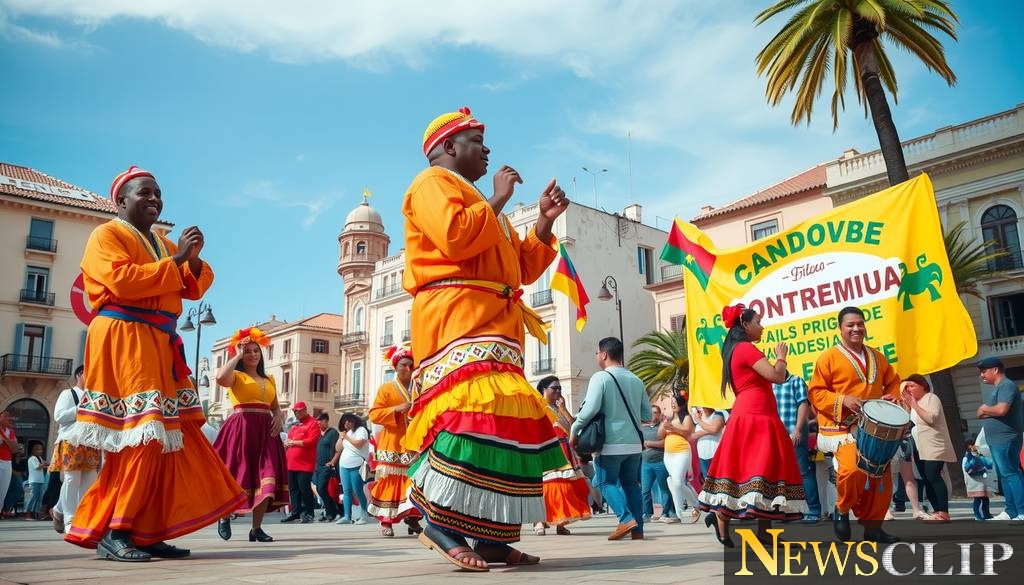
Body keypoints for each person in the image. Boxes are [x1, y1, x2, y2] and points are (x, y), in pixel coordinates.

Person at [402, 106, 568, 571]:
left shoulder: (481, 204)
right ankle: (439, 523)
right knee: (471, 418)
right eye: (476, 141)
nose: (487, 149)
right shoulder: (431, 183)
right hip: (456, 316)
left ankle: (493, 536)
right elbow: (456, 237)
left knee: (508, 424)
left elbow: (522, 268)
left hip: (496, 323)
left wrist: (543, 222)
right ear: (448, 147)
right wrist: (497, 197)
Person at [62, 166, 244, 561]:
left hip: (160, 341)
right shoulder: (106, 235)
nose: (154, 199)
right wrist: (179, 257)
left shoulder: (160, 242)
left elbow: (193, 287)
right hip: (126, 335)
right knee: (142, 435)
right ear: (121, 201)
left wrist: (192, 258)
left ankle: (146, 528)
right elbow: (123, 281)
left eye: (158, 193)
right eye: (144, 192)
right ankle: (116, 529)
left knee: (171, 437)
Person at [698, 304, 806, 548]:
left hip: (758, 414)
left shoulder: (736, 349)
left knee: (761, 471)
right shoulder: (745, 348)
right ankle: (722, 516)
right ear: (745, 325)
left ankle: (763, 531)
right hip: (754, 416)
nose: (762, 327)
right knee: (753, 469)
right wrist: (781, 357)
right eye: (758, 322)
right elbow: (777, 376)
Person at [808, 306, 902, 543]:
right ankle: (842, 508)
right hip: (841, 428)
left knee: (881, 478)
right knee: (852, 470)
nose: (856, 328)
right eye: (850, 325)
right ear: (840, 328)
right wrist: (842, 400)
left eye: (860, 324)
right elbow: (816, 392)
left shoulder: (877, 356)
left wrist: (892, 396)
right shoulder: (828, 357)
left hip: (875, 430)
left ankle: (873, 528)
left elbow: (893, 382)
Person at [571, 337, 652, 541]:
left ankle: (625, 519)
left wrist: (575, 429)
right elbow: (647, 415)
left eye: (597, 353)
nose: (597, 356)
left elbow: (589, 410)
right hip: (634, 443)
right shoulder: (636, 379)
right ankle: (638, 530)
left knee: (603, 481)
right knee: (631, 484)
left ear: (604, 354)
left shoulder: (601, 378)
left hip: (610, 443)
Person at [213, 328, 288, 542]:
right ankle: (225, 516)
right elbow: (220, 377)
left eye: (256, 351)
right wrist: (237, 354)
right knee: (237, 474)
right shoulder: (236, 376)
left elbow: (275, 406)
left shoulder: (269, 379)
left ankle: (256, 528)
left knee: (267, 477)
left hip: (266, 431)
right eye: (248, 351)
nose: (253, 354)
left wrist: (278, 416)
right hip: (242, 428)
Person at [367, 346, 423, 537]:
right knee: (390, 482)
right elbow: (374, 414)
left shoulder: (419, 388)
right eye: (403, 365)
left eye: (410, 365)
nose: (407, 368)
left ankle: (413, 519)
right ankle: (386, 521)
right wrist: (396, 409)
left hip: (414, 443)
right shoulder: (386, 388)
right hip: (392, 441)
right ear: (395, 367)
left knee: (414, 482)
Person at [534, 376, 592, 536]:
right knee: (548, 487)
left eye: (560, 388)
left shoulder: (559, 408)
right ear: (544, 390)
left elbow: (574, 428)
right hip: (546, 451)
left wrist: (564, 409)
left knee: (568, 487)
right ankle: (539, 520)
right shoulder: (538, 406)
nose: (558, 391)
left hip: (565, 452)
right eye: (554, 388)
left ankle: (561, 522)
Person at [50, 366, 102, 533]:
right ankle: (69, 519)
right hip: (71, 441)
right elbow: (59, 416)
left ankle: (64, 511)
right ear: (79, 375)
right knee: (72, 479)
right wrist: (81, 408)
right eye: (89, 373)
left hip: (91, 443)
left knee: (90, 480)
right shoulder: (68, 394)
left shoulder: (96, 396)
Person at [901, 374, 956, 523]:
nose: (909, 389)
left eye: (912, 386)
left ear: (923, 385)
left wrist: (914, 404)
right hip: (920, 446)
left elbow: (931, 418)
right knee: (926, 477)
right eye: (907, 387)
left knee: (933, 475)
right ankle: (937, 510)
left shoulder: (931, 398)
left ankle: (943, 512)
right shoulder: (915, 403)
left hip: (934, 445)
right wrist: (905, 403)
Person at [975, 356, 1024, 524]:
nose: (982, 375)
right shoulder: (998, 389)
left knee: (1011, 473)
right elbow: (980, 414)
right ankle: (1010, 511)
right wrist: (988, 410)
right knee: (1005, 475)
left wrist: (985, 408)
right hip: (997, 439)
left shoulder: (1006, 386)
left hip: (1006, 438)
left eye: (984, 371)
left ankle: (1021, 511)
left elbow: (1001, 410)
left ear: (995, 370)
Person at [772, 373, 821, 524]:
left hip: (794, 433)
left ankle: (813, 511)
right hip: (776, 434)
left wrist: (798, 429)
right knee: (780, 475)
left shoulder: (796, 381)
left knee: (803, 471)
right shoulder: (770, 384)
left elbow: (803, 404)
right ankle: (787, 511)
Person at [660, 393, 701, 523]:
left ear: (682, 404)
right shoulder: (669, 419)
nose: (673, 404)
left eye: (675, 402)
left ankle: (680, 513)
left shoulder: (686, 418)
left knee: (677, 482)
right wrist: (663, 425)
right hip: (668, 454)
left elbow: (688, 432)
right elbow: (660, 435)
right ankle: (693, 505)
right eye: (671, 402)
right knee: (673, 482)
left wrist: (672, 428)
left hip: (682, 452)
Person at [281, 402, 318, 523]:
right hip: (291, 462)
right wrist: (287, 443)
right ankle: (295, 512)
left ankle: (309, 513)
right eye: (294, 411)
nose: (296, 413)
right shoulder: (295, 425)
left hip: (305, 463)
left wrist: (294, 442)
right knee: (293, 489)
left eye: (297, 411)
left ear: (304, 410)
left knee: (304, 488)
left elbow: (311, 441)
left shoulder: (312, 423)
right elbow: (289, 439)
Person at [332, 413, 370, 525]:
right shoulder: (347, 433)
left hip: (356, 465)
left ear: (354, 421)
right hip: (344, 465)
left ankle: (364, 514)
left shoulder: (361, 430)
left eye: (349, 421)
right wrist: (341, 438)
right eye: (345, 422)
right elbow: (338, 448)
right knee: (346, 491)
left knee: (358, 490)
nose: (347, 424)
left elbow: (359, 444)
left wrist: (347, 438)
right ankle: (347, 516)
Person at [640, 405, 676, 523]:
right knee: (645, 490)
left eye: (655, 412)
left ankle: (666, 512)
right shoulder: (642, 428)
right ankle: (648, 513)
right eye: (651, 412)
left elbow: (666, 443)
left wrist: (648, 443)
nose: (652, 415)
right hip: (645, 464)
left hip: (660, 462)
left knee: (664, 489)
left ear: (660, 414)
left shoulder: (663, 427)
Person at [314, 413, 341, 523]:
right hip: (317, 466)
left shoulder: (333, 433)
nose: (318, 423)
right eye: (317, 421)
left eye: (320, 421)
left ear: (326, 421)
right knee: (320, 490)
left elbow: (338, 450)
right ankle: (331, 511)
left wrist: (332, 462)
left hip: (327, 466)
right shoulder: (318, 434)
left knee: (321, 489)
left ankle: (332, 512)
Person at [963, 435, 996, 521]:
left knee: (985, 498)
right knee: (978, 499)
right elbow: (968, 468)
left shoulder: (977, 454)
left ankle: (986, 514)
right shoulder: (969, 456)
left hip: (981, 480)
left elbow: (986, 463)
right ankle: (978, 515)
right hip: (975, 481)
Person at [690, 406, 727, 481]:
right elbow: (692, 436)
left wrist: (699, 422)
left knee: (720, 481)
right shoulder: (698, 417)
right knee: (709, 483)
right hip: (702, 456)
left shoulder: (718, 413)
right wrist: (707, 430)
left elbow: (715, 429)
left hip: (716, 454)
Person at [0, 409, 18, 514]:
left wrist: (5, 440)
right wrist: (10, 443)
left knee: (3, 489)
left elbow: (15, 449)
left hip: (7, 462)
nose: (9, 418)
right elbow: (12, 445)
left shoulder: (10, 431)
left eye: (9, 416)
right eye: (6, 416)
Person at [25, 442, 47, 520]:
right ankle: (28, 514)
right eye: (37, 449)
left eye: (41, 449)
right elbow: (37, 467)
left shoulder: (40, 458)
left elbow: (45, 463)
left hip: (40, 481)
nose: (40, 451)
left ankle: (36, 513)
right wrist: (46, 465)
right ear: (32, 450)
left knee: (39, 498)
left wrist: (49, 464)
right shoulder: (32, 458)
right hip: (34, 481)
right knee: (33, 497)